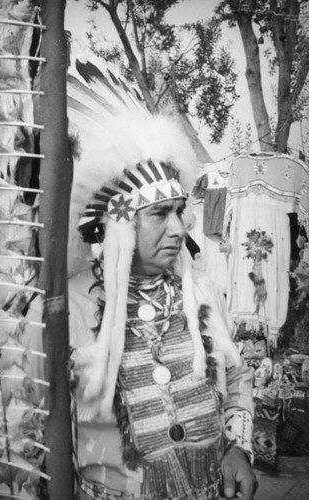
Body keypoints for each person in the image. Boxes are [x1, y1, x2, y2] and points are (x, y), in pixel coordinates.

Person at [67, 61, 257, 500]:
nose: (178, 228)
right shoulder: (74, 304)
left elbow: (239, 375)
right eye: (159, 213)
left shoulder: (202, 289)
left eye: (178, 212)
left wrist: (238, 447)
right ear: (119, 224)